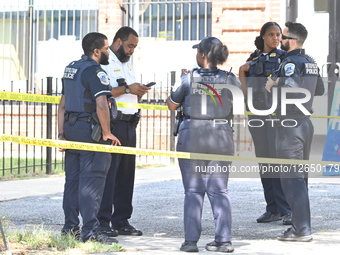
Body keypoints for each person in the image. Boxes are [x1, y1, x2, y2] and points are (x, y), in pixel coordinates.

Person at [167, 37, 239, 253]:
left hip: (192, 136)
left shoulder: (188, 78)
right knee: (219, 191)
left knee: (193, 191)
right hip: (221, 136)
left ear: (203, 55)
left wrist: (181, 81)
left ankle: (190, 242)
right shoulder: (230, 78)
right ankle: (223, 241)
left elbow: (171, 104)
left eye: (198, 50)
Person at [57, 32, 121, 243]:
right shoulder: (95, 71)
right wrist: (106, 132)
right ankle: (90, 234)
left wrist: (61, 134)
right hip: (90, 132)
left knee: (72, 182)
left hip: (71, 129)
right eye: (105, 49)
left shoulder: (71, 68)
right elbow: (101, 104)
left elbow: (63, 104)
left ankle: (70, 229)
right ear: (96, 51)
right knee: (91, 183)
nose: (108, 53)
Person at [265, 21, 325, 242]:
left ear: (292, 41)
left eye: (283, 37)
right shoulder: (310, 62)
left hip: (290, 125)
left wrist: (274, 85)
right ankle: (302, 226)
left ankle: (301, 230)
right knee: (299, 178)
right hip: (304, 124)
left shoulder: (290, 62)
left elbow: (291, 90)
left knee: (292, 179)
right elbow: (320, 89)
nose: (280, 40)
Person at [97, 26, 149, 237]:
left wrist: (139, 92)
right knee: (109, 174)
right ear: (117, 41)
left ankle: (121, 220)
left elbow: (129, 93)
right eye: (129, 46)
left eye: (135, 47)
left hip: (129, 124)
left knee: (127, 175)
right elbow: (104, 92)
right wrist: (128, 89)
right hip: (113, 124)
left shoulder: (128, 64)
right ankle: (103, 221)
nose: (132, 50)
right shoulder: (105, 63)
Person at [239, 22, 292, 225]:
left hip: (276, 116)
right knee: (265, 162)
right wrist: (244, 76)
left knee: (279, 161)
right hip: (257, 114)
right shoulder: (253, 58)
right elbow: (242, 74)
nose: (276, 38)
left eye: (278, 34)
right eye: (271, 34)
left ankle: (286, 209)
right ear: (262, 36)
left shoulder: (283, 58)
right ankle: (272, 209)